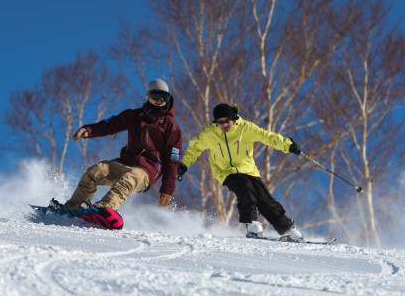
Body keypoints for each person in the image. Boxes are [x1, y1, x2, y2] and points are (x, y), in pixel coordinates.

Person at [56, 79, 183, 216]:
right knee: (95, 171)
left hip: (148, 170)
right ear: (148, 96)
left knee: (127, 180)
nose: (160, 101)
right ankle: (73, 208)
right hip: (125, 162)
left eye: (164, 97)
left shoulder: (172, 127)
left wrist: (167, 189)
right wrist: (88, 130)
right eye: (155, 96)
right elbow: (110, 125)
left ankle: (104, 209)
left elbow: (172, 161)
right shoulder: (134, 116)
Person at [177, 103, 303, 241]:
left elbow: (267, 137)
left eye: (227, 121)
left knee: (264, 198)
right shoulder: (209, 134)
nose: (224, 125)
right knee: (245, 188)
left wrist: (288, 145)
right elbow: (194, 148)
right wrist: (184, 165)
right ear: (216, 123)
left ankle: (288, 229)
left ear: (233, 118)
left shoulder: (246, 128)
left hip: (248, 170)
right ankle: (251, 225)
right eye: (220, 122)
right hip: (225, 171)